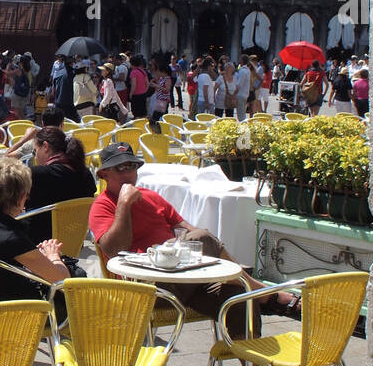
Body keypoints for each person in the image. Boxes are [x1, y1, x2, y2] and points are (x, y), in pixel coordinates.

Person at [89, 143, 296, 337]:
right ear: (104, 174)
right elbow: (115, 250)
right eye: (120, 168)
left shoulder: (151, 196)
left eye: (132, 166)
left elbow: (186, 229)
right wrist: (124, 204)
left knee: (238, 297)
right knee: (203, 237)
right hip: (148, 288)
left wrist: (191, 251)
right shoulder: (102, 206)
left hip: (186, 277)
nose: (128, 173)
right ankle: (263, 293)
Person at [0, 157, 69, 305]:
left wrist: (37, 257)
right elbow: (63, 281)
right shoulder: (13, 238)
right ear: (21, 198)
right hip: (19, 317)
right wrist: (53, 256)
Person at [20, 127, 96, 243]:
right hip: (72, 242)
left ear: (45, 147)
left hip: (37, 243)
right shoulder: (86, 174)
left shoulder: (36, 174)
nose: (35, 157)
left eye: (35, 151)